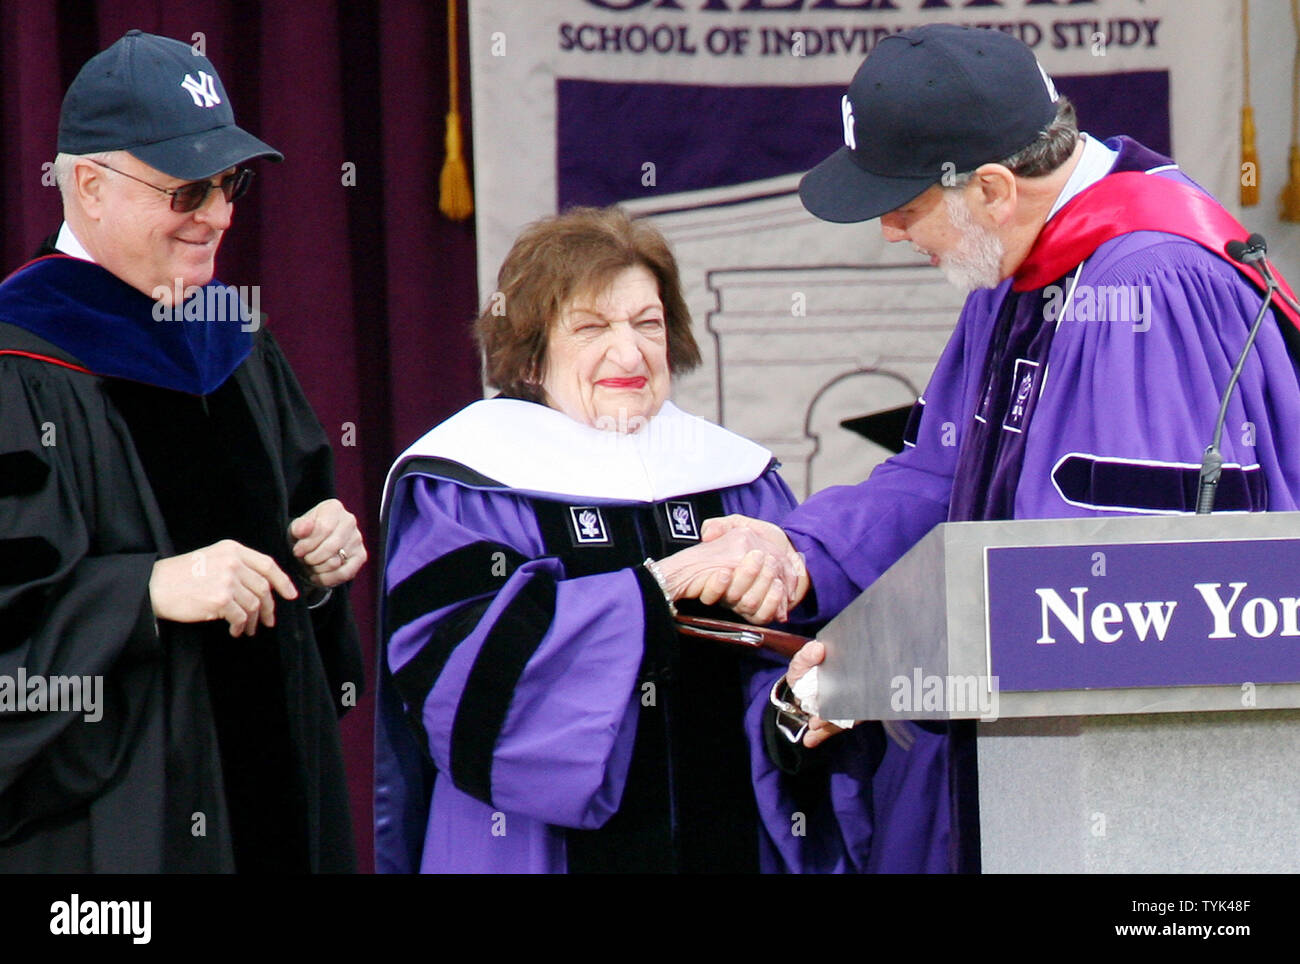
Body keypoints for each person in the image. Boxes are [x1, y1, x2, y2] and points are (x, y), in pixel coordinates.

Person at [699, 23, 1300, 872]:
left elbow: (1118, 600)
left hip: (1142, 813)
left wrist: (881, 672)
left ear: (990, 186)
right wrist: (801, 553)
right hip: (1035, 776)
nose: (890, 233)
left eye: (902, 206)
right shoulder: (1025, 270)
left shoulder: (1146, 288)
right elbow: (942, 477)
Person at [374, 206, 872, 873]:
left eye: (648, 324)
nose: (630, 352)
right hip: (534, 849)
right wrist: (657, 588)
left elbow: (795, 660)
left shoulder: (736, 479)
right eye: (591, 327)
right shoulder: (471, 482)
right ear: (531, 352)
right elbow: (461, 678)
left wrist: (795, 703)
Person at [0, 30, 366, 872]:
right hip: (117, 841)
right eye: (189, 189)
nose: (222, 214)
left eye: (230, 183)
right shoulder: (20, 370)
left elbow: (293, 542)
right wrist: (144, 591)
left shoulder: (228, 336)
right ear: (88, 184)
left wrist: (316, 566)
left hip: (272, 810)